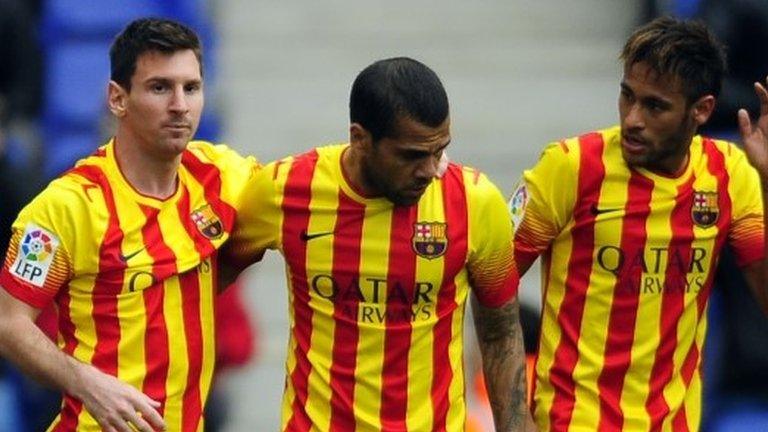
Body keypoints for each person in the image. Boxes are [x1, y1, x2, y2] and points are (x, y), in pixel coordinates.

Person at [226, 57, 534, 431]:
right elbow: (208, 280)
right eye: (412, 155)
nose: (431, 170)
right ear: (359, 138)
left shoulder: (475, 201)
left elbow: (501, 331)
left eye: (439, 150)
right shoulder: (284, 189)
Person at [509, 16, 767, 431]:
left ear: (701, 110)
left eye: (654, 106)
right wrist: (514, 419)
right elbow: (492, 287)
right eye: (627, 96)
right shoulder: (570, 166)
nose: (632, 118)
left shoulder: (729, 174)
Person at [0, 18, 256, 432]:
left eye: (191, 88)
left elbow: (302, 193)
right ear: (118, 99)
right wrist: (86, 383)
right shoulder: (67, 206)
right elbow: (6, 321)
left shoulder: (224, 175)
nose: (180, 105)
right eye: (160, 88)